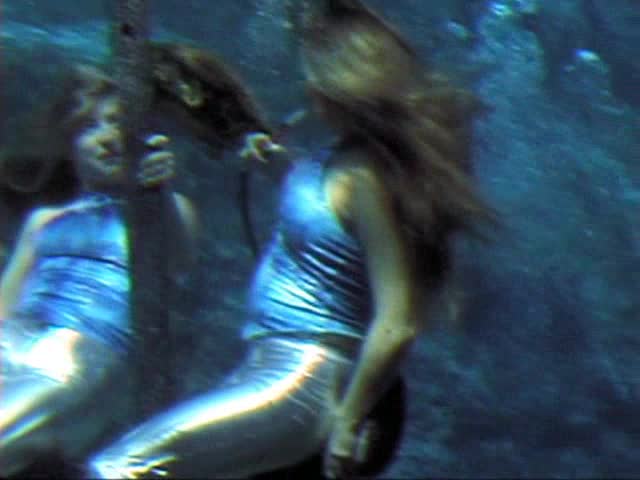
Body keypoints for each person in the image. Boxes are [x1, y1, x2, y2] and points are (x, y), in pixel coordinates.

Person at [86, 0, 496, 478]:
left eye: (314, 81)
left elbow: (398, 320)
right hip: (269, 365)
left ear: (340, 89)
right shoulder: (331, 160)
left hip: (308, 378)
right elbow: (324, 219)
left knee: (122, 464)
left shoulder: (370, 179)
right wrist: (274, 165)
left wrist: (349, 420)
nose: (307, 92)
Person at [0, 65, 198, 478]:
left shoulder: (164, 212)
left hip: (82, 353)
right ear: (70, 144)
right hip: (15, 340)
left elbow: (178, 261)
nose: (107, 137)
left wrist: (155, 192)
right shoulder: (44, 221)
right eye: (90, 127)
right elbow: (5, 306)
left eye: (117, 124)